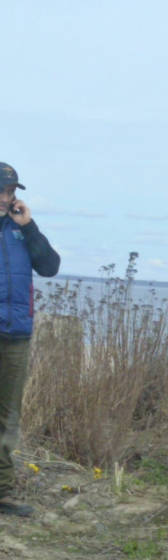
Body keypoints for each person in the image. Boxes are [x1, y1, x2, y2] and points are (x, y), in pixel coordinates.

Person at [0, 163, 60, 517]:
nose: (5, 197)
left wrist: (30, 227)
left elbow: (50, 266)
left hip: (16, 334)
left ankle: (2, 492)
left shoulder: (22, 229)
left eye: (9, 191)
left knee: (7, 417)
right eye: (1, 190)